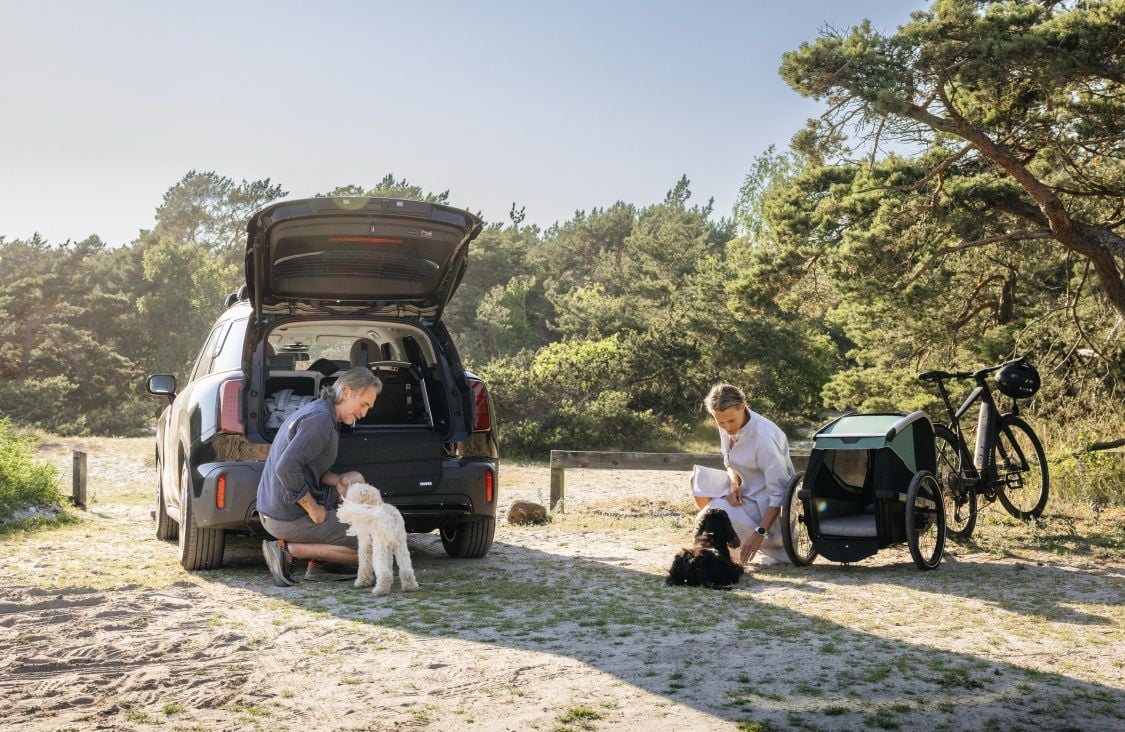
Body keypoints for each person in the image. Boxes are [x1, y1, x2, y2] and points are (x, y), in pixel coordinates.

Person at [259, 367, 383, 586]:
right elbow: (286, 468)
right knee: (373, 546)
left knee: (356, 478)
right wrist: (313, 509)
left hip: (282, 507)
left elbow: (307, 465)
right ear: (346, 392)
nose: (364, 414)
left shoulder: (322, 411)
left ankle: (322, 565)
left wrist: (336, 480)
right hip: (287, 515)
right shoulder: (320, 420)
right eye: (363, 405)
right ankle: (288, 550)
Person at [693, 383, 795, 566]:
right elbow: (730, 462)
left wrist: (759, 532)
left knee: (713, 511)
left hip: (767, 507)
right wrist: (734, 484)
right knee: (698, 479)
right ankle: (727, 540)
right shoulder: (727, 420)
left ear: (743, 406)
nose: (726, 427)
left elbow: (780, 493)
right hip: (745, 489)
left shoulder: (763, 438)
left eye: (731, 421)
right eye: (720, 422)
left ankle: (748, 543)